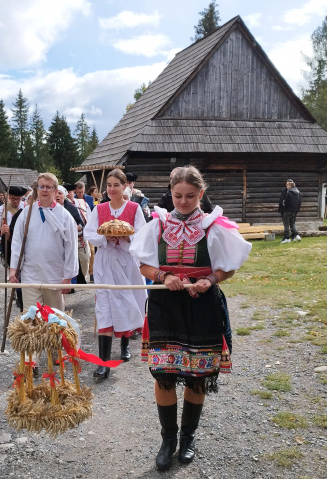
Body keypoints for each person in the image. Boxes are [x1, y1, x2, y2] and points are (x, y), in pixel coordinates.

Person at [130, 165, 251, 471]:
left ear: (201, 193)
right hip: (165, 306)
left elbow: (229, 267)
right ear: (170, 193)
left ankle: (188, 439)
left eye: (190, 196)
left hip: (202, 307)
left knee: (197, 375)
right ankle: (167, 439)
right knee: (164, 373)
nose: (183, 202)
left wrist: (210, 280)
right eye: (177, 195)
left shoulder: (215, 226)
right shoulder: (158, 224)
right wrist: (162, 275)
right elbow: (143, 266)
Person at [83, 169, 147, 378]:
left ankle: (125, 345)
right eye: (109, 185)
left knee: (126, 301)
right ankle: (103, 363)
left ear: (124, 186)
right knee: (104, 306)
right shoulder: (100, 209)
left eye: (116, 185)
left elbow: (142, 233)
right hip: (105, 261)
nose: (111, 189)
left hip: (127, 261)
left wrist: (127, 237)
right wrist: (105, 239)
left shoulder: (134, 207)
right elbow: (89, 232)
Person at [9, 173, 78, 311]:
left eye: (48, 187)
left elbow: (71, 247)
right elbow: (17, 242)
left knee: (54, 319)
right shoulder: (26, 213)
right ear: (37, 189)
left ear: (55, 190)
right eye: (41, 187)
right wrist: (13, 270)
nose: (44, 190)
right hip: (30, 275)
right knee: (31, 319)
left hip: (55, 276)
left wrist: (68, 277)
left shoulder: (65, 216)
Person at [0, 186, 27, 265]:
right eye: (13, 198)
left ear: (21, 198)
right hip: (9, 241)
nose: (15, 201)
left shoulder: (26, 207)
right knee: (12, 262)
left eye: (18, 199)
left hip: (24, 240)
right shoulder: (2, 209)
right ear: (9, 197)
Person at [279, 179, 302, 244]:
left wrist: (284, 206)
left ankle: (287, 238)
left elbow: (285, 202)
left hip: (287, 210)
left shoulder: (289, 193)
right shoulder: (297, 192)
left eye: (288, 184)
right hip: (293, 211)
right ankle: (296, 236)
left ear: (290, 185)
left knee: (286, 225)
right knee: (292, 224)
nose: (287, 186)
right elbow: (299, 203)